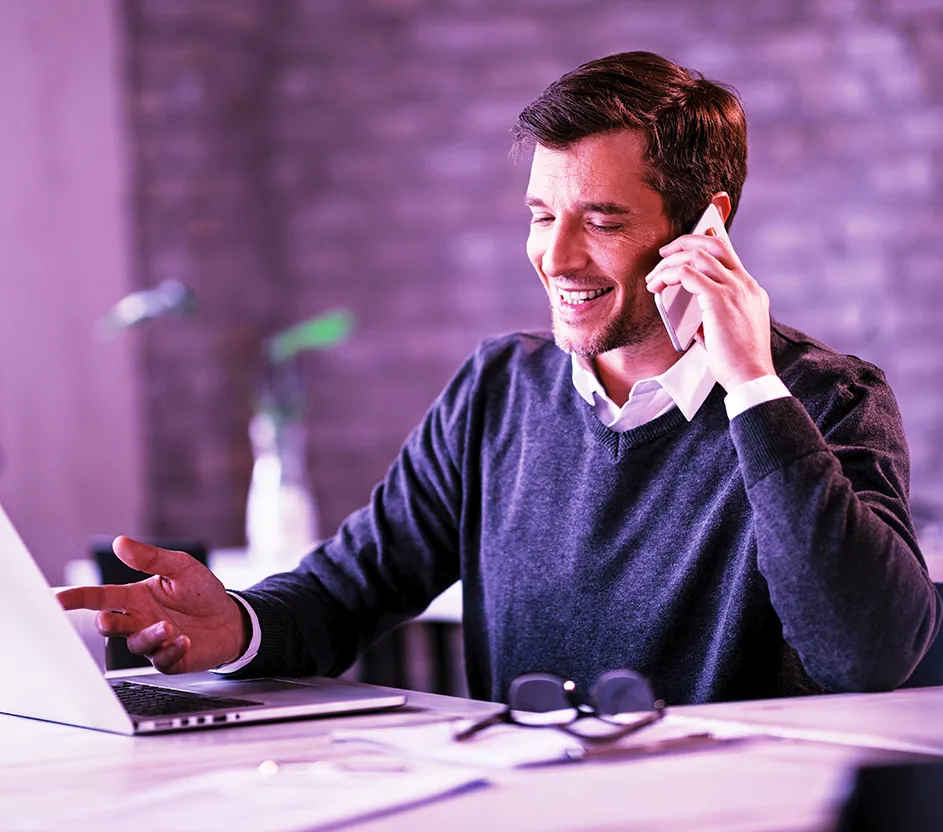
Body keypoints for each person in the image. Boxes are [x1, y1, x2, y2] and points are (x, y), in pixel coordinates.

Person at [59, 51, 941, 706]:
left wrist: (750, 384)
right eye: (540, 214)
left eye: (599, 219)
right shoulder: (497, 391)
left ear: (704, 225)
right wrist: (237, 627)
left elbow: (864, 655)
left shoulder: (823, 399)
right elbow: (345, 590)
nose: (554, 257)